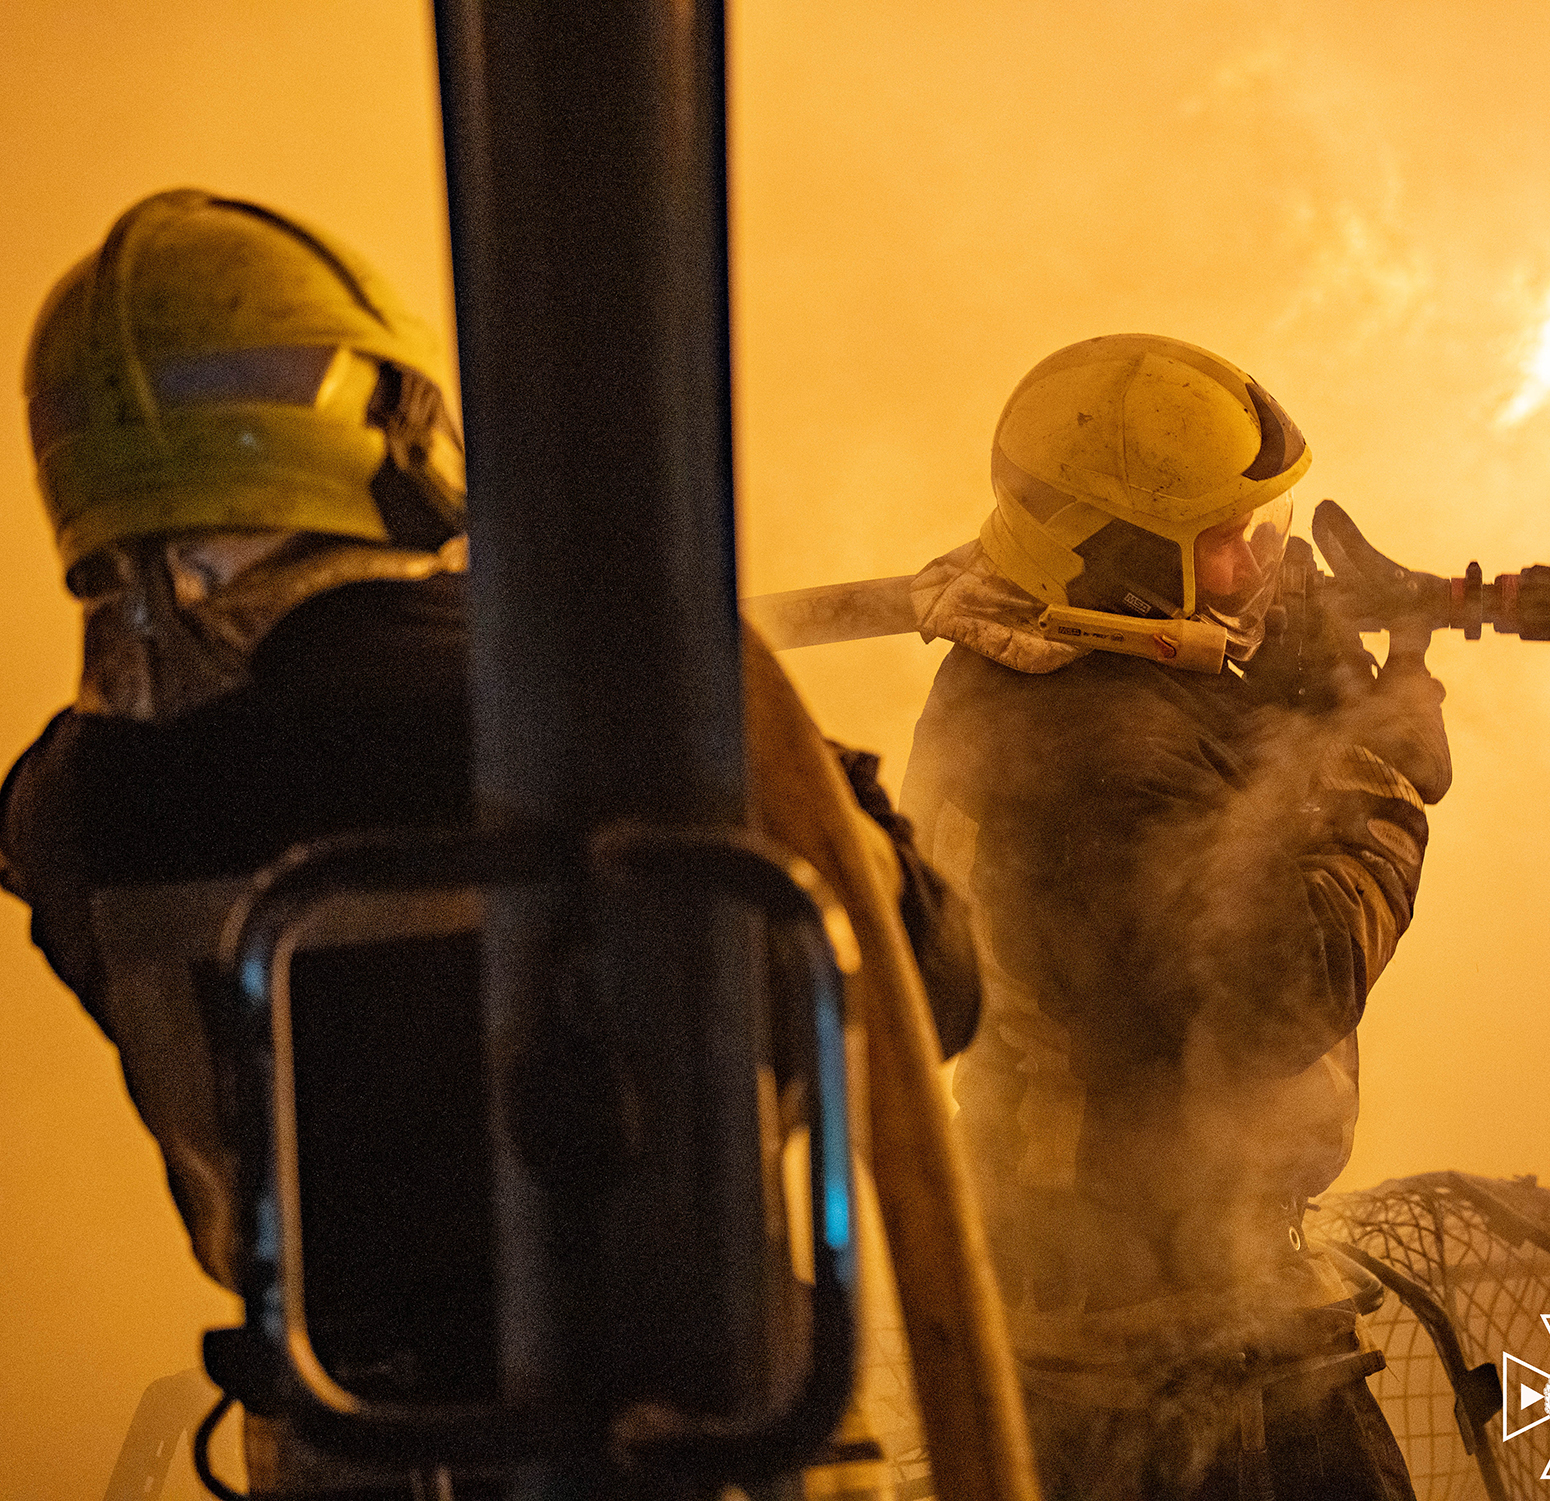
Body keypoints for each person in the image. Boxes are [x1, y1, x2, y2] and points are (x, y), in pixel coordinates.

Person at [1, 188, 981, 1497]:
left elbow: (254, 728)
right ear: (386, 422)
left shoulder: (69, 809)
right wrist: (752, 717)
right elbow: (938, 994)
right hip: (702, 1449)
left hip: (345, 1453)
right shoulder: (615, 701)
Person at [900, 334, 1450, 1500]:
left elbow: (1208, 809)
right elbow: (1282, 994)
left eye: (1263, 529)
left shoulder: (1053, 674)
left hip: (1169, 1293)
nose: (1259, 563)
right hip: (1145, 1358)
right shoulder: (1095, 754)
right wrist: (1380, 770)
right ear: (1119, 560)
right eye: (1224, 540)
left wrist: (1307, 682)